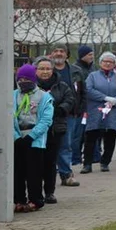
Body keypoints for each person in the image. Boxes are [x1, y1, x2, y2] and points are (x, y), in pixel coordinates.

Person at [34, 56, 76, 201]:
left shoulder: (62, 85)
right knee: (35, 162)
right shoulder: (31, 86)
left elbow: (70, 99)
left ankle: (49, 192)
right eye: (41, 69)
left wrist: (59, 110)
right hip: (35, 130)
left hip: (54, 129)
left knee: (50, 162)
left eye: (48, 69)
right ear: (36, 70)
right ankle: (35, 192)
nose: (45, 72)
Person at [13, 64, 54, 212]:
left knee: (34, 171)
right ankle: (19, 199)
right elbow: (9, 116)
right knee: (18, 171)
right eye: (20, 79)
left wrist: (32, 136)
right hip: (17, 136)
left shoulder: (44, 97)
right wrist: (16, 136)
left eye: (26, 79)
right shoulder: (13, 95)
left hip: (35, 138)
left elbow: (46, 120)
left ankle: (35, 199)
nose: (23, 82)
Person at [82, 52, 116, 173]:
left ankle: (105, 162)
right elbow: (88, 89)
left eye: (111, 62)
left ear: (114, 64)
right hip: (95, 111)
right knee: (91, 137)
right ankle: (87, 164)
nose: (107, 64)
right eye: (105, 61)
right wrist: (104, 98)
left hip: (113, 112)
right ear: (100, 62)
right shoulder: (93, 76)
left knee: (110, 137)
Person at [49, 43, 84, 183]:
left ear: (66, 54)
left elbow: (82, 92)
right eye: (56, 51)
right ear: (51, 53)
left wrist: (80, 109)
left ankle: (66, 174)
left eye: (62, 51)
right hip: (47, 114)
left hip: (68, 114)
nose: (59, 53)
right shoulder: (46, 69)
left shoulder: (76, 71)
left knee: (65, 145)